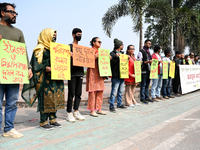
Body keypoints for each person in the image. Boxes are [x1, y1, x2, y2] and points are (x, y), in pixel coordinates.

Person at [0, 3, 33, 138]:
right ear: (2, 13)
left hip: (13, 74)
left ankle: (9, 129)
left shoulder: (18, 32)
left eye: (15, 13)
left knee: (12, 102)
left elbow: (23, 52)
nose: (15, 15)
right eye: (12, 12)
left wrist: (28, 67)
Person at [22, 29, 64, 130]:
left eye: (55, 35)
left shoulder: (57, 49)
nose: (54, 37)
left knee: (55, 97)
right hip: (45, 79)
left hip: (56, 78)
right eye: (52, 35)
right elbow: (35, 65)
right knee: (46, 99)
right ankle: (43, 121)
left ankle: (53, 119)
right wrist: (46, 68)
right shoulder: (40, 49)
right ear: (46, 35)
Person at [66, 28, 85, 122]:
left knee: (79, 93)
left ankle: (76, 111)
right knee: (71, 93)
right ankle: (69, 112)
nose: (79, 36)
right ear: (73, 35)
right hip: (72, 73)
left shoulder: (82, 49)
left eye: (81, 34)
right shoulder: (69, 47)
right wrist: (69, 55)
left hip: (80, 73)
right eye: (78, 34)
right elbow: (63, 59)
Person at [86, 37, 107, 117]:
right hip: (92, 73)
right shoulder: (89, 51)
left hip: (100, 74)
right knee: (92, 92)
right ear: (93, 43)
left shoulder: (101, 52)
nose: (100, 43)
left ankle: (99, 109)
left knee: (100, 91)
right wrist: (94, 56)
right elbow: (86, 61)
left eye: (101, 42)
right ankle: (92, 110)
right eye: (99, 41)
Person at [109, 38, 127, 113]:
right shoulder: (112, 54)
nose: (123, 46)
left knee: (120, 91)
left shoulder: (122, 54)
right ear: (119, 46)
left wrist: (127, 58)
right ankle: (111, 105)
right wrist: (116, 57)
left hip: (122, 75)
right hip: (116, 76)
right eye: (122, 44)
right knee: (114, 91)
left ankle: (119, 104)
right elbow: (111, 63)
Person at [137, 39, 153, 104]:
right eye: (149, 43)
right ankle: (142, 98)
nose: (150, 45)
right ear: (145, 43)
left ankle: (147, 97)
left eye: (150, 44)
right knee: (143, 85)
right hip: (143, 71)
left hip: (149, 71)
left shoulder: (148, 52)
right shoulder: (141, 52)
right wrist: (148, 62)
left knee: (147, 85)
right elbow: (139, 62)